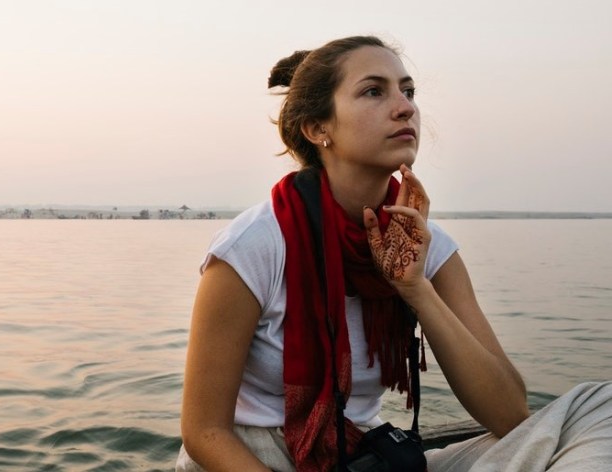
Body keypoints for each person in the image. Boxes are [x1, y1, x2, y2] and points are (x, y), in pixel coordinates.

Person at [176, 35, 612, 471]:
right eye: (373, 91)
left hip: (362, 453)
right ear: (318, 128)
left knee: (601, 404)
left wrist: (415, 288)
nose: (405, 107)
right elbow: (204, 432)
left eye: (408, 91)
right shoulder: (255, 245)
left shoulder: (429, 245)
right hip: (256, 457)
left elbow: (509, 415)